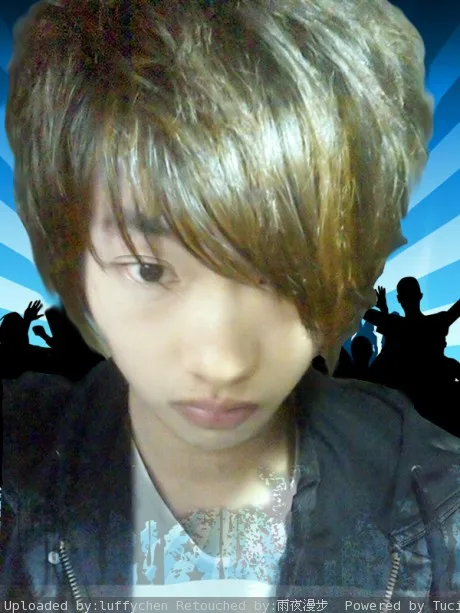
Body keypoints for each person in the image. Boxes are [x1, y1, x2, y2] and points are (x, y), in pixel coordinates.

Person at [1, 0, 459, 605]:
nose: (221, 363)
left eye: (280, 274)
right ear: (74, 257)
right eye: (149, 269)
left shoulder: (439, 505)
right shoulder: (16, 471)